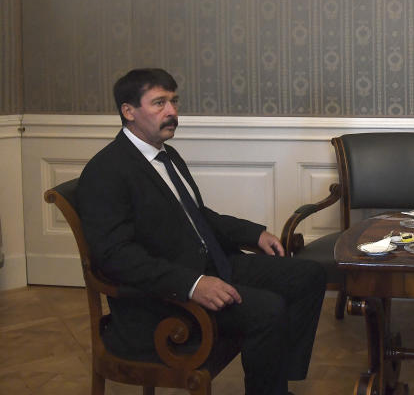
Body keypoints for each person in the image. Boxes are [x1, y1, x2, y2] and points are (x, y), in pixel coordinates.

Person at [77, 68, 325, 395]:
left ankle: (278, 381)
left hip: (209, 263)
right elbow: (115, 258)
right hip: (163, 298)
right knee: (269, 308)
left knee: (309, 275)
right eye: (160, 103)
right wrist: (193, 284)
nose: (172, 112)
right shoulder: (106, 171)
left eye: (174, 101)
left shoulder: (166, 155)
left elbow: (197, 216)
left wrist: (254, 235)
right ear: (128, 111)